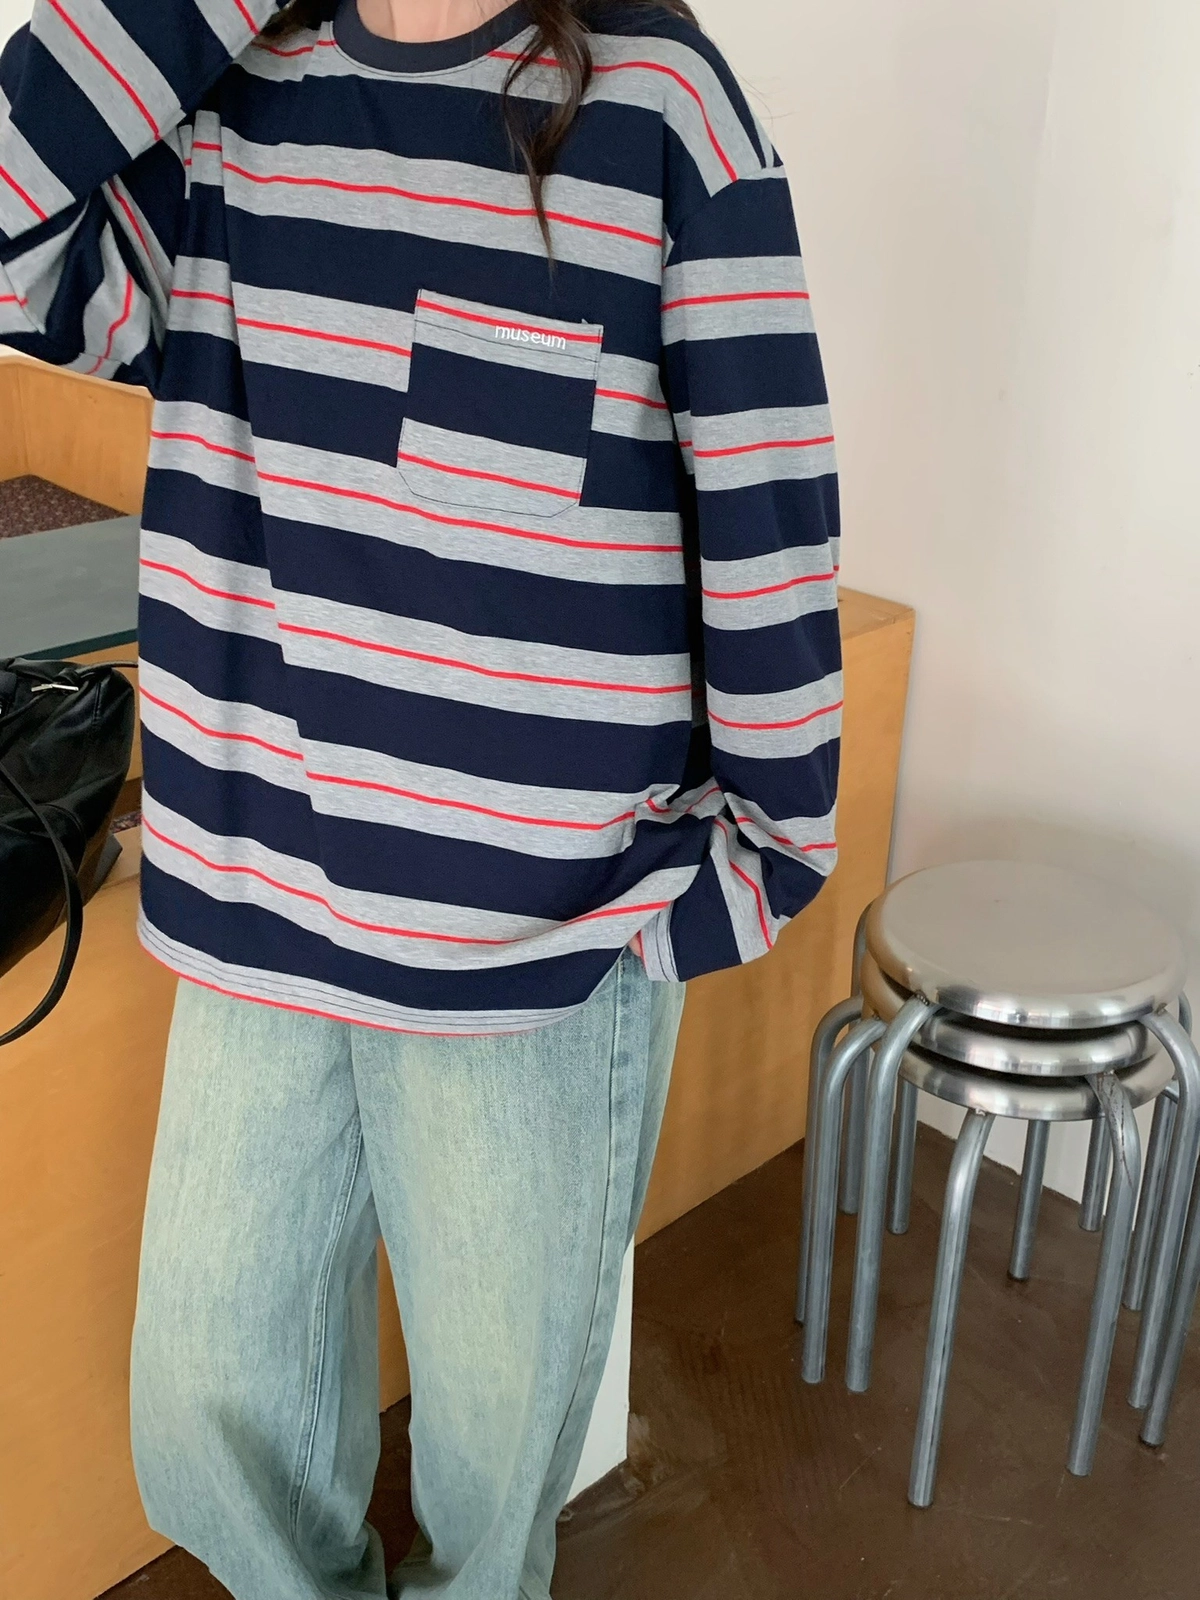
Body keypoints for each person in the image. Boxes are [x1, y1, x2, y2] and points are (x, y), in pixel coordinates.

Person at [0, 1, 842, 1594]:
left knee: (492, 1469)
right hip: (259, 911)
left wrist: (766, 853)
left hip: (536, 952)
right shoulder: (237, 97)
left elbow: (766, 498)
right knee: (208, 1421)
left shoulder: (662, 105)